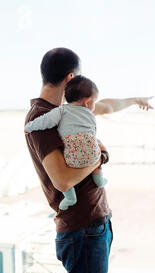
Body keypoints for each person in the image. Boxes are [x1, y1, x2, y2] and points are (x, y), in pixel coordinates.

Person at [24, 47, 153, 273]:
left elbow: (106, 106)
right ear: (71, 79)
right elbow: (62, 180)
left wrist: (135, 99)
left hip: (92, 225)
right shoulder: (43, 117)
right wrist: (99, 156)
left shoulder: (71, 109)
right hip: (82, 228)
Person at [25, 75, 108, 211]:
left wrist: (29, 127)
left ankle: (70, 197)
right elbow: (93, 132)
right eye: (95, 101)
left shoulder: (61, 111)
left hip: (72, 158)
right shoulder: (90, 114)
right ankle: (99, 180)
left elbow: (45, 121)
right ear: (87, 102)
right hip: (94, 155)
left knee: (68, 170)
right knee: (94, 151)